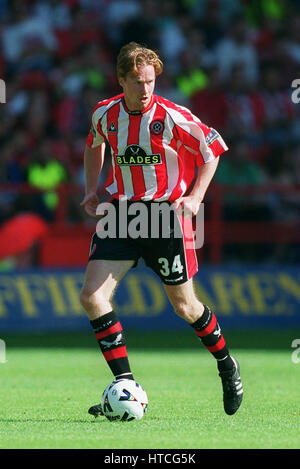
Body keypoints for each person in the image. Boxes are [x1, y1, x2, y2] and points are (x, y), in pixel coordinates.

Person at [79, 42, 243, 417]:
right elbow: (94, 144)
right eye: (137, 82)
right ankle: (125, 386)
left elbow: (212, 149)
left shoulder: (172, 115)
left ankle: (227, 364)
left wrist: (195, 197)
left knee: (185, 306)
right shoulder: (105, 114)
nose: (145, 89)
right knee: (92, 297)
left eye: (150, 81)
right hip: (121, 214)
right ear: (121, 80)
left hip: (164, 217)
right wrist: (92, 187)